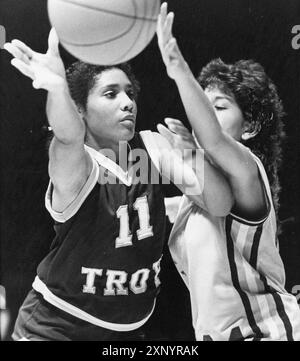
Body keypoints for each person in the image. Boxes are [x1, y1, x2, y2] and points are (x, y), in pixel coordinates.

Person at [3, 11, 233, 340]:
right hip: (56, 326)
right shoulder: (79, 164)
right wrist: (57, 90)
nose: (127, 103)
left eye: (130, 93)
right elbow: (68, 136)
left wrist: (192, 153)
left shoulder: (152, 147)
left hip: (127, 332)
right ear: (79, 109)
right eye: (111, 94)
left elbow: (220, 202)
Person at [157, 2, 300, 340]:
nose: (204, 117)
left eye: (217, 107)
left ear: (249, 127)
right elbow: (142, 211)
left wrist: (179, 69)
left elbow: (214, 139)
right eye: (203, 108)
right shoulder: (193, 200)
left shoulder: (250, 173)